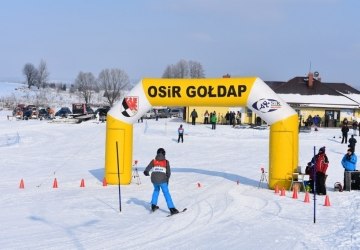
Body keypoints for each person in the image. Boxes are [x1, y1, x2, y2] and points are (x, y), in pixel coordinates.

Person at [143, 148, 179, 215]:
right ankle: (172, 208)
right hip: (162, 180)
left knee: (156, 190)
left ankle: (153, 205)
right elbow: (168, 173)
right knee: (166, 193)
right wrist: (167, 179)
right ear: (164, 154)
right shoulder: (166, 162)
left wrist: (146, 172)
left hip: (154, 179)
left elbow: (147, 168)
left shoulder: (153, 161)